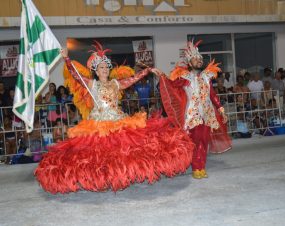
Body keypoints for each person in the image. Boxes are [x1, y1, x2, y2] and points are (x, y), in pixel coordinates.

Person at [35, 42, 194, 194]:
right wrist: (66, 59)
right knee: (100, 155)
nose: (104, 69)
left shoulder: (116, 84)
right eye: (101, 67)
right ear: (96, 71)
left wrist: (148, 70)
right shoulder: (92, 85)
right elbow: (76, 75)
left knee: (122, 152)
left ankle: (122, 176)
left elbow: (133, 79)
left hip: (118, 120)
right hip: (99, 123)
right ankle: (101, 180)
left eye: (106, 67)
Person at [158, 40, 231, 179]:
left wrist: (221, 109)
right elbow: (171, 84)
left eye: (200, 59)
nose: (199, 61)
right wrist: (162, 75)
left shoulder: (206, 77)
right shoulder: (185, 77)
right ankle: (196, 168)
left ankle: (201, 167)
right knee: (195, 142)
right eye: (195, 59)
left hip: (207, 114)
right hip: (193, 115)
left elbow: (212, 95)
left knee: (204, 141)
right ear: (190, 63)